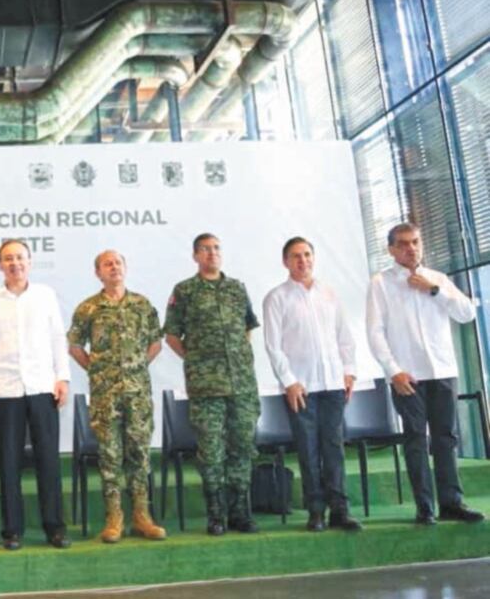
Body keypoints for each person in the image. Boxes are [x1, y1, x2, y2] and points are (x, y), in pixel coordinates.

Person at [366, 222, 484, 525]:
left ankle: (452, 503)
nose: (411, 248)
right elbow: (375, 332)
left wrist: (434, 291)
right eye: (403, 243)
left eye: (416, 242)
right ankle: (425, 507)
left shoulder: (438, 279)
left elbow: (467, 313)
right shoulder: (381, 282)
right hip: (408, 375)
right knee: (416, 438)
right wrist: (393, 371)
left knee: (446, 438)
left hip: (443, 370)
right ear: (391, 249)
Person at [0, 239, 70, 550]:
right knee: (9, 463)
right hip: (4, 390)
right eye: (8, 259)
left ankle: (54, 527)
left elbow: (57, 338)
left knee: (48, 462)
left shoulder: (45, 295)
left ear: (30, 261)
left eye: (20, 258)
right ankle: (12, 530)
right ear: (0, 265)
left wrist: (62, 378)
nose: (15, 263)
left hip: (43, 388)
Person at [163, 233, 260, 536]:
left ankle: (241, 512)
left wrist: (236, 360)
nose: (212, 254)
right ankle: (216, 514)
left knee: (243, 448)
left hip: (242, 385)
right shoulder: (185, 291)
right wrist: (197, 360)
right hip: (206, 388)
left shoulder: (236, 288)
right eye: (205, 250)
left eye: (216, 248)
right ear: (195, 256)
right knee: (211, 451)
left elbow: (247, 328)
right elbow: (172, 336)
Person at [263, 237, 362, 532]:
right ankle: (315, 511)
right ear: (285, 262)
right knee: (308, 450)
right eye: (296, 256)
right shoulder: (276, 297)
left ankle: (339, 511)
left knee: (334, 448)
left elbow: (345, 336)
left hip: (333, 384)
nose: (302, 260)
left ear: (313, 258)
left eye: (307, 255)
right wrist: (289, 382)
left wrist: (349, 371)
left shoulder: (329, 293)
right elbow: (273, 346)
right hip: (300, 388)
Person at [68, 250, 166, 543]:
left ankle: (142, 516)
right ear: (98, 273)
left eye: (118, 263)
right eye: (107, 264)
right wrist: (98, 371)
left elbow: (156, 343)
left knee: (139, 453)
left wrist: (135, 368)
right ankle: (114, 518)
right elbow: (74, 346)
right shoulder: (88, 308)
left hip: (137, 393)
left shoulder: (142, 304)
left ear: (126, 268)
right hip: (104, 396)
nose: (114, 268)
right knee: (110, 456)